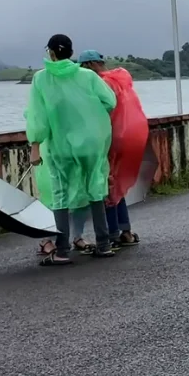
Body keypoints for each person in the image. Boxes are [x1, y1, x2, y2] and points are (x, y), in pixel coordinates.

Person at [27, 35, 118, 264]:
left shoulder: (41, 79)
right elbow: (110, 101)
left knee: (60, 193)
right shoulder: (88, 76)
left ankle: (62, 251)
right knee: (96, 189)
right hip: (91, 143)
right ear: (70, 52)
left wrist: (35, 146)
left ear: (51, 53)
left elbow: (37, 116)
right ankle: (104, 244)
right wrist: (90, 116)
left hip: (61, 146)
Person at [78, 50, 149, 249]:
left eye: (82, 67)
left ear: (90, 65)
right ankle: (125, 231)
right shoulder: (120, 78)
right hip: (132, 135)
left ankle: (112, 233)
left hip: (111, 137)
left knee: (106, 186)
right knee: (116, 185)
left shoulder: (99, 83)